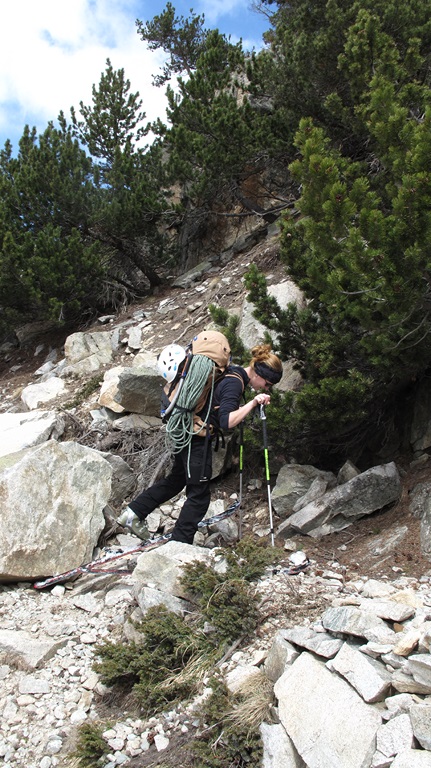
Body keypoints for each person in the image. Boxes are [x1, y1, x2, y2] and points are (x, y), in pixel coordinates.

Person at [118, 343, 283, 544]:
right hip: (196, 439)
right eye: (267, 384)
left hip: (187, 431)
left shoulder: (233, 372)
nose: (266, 388)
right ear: (258, 374)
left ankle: (133, 513)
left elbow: (219, 406)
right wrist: (253, 403)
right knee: (199, 496)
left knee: (176, 480)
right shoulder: (235, 382)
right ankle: (180, 543)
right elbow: (227, 421)